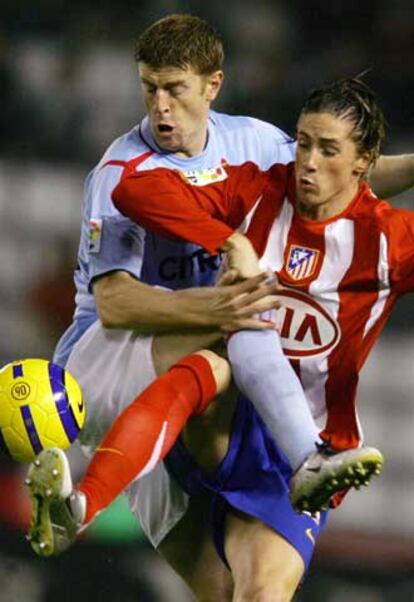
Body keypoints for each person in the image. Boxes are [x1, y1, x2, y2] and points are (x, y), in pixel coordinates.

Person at [25, 13, 414, 600]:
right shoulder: (120, 170)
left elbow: (333, 177)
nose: (160, 107)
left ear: (212, 85)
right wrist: (224, 266)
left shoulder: (253, 144)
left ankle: (74, 509)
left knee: (221, 588)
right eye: (149, 88)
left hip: (170, 399)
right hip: (107, 364)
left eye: (175, 89)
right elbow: (116, 302)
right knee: (237, 329)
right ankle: (306, 456)